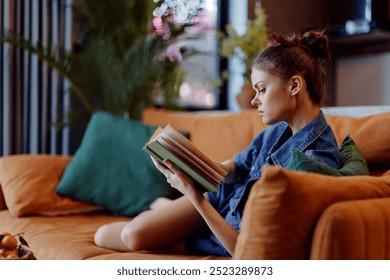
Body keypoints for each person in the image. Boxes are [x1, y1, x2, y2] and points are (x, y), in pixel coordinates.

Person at [94, 30, 340, 257]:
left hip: (224, 229)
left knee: (125, 236)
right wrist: (195, 168)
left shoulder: (316, 161)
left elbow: (247, 254)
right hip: (221, 199)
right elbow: (237, 167)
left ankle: (168, 211)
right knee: (111, 234)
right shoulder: (277, 131)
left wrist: (192, 194)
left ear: (294, 85)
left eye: (261, 90)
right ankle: (168, 210)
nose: (254, 100)